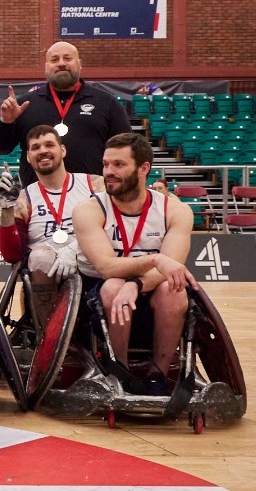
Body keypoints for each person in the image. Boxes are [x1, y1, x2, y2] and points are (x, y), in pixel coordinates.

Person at [73, 133, 196, 396]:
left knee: (174, 289)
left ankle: (157, 375)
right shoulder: (88, 209)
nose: (109, 172)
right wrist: (155, 259)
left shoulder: (175, 210)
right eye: (106, 165)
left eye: (119, 165)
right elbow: (106, 267)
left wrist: (137, 284)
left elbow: (171, 269)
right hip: (101, 291)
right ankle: (121, 370)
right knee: (114, 285)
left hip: (152, 288)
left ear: (144, 168)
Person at [0, 125, 104, 316]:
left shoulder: (94, 185)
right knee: (40, 257)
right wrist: (6, 209)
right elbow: (12, 255)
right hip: (44, 268)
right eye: (35, 147)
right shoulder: (23, 199)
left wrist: (76, 248)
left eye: (49, 145)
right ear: (28, 157)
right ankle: (49, 339)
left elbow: (112, 229)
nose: (43, 151)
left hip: (90, 259)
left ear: (62, 150)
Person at [0, 42, 131, 185]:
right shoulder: (26, 105)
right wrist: (6, 122)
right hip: (39, 199)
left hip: (92, 196)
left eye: (68, 58)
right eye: (54, 59)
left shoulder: (105, 102)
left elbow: (127, 149)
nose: (61, 63)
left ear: (79, 64)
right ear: (46, 66)